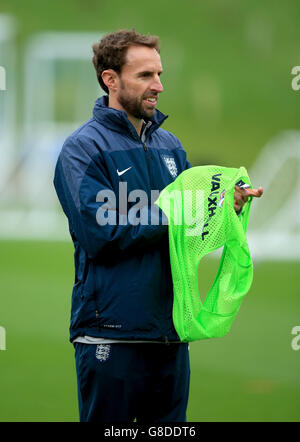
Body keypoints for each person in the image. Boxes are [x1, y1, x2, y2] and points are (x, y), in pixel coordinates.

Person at [53, 29, 263, 423]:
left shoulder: (172, 147)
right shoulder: (82, 149)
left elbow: (189, 236)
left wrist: (222, 209)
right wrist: (183, 212)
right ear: (110, 79)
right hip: (110, 334)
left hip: (169, 333)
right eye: (145, 75)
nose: (159, 86)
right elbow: (101, 233)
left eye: (160, 74)